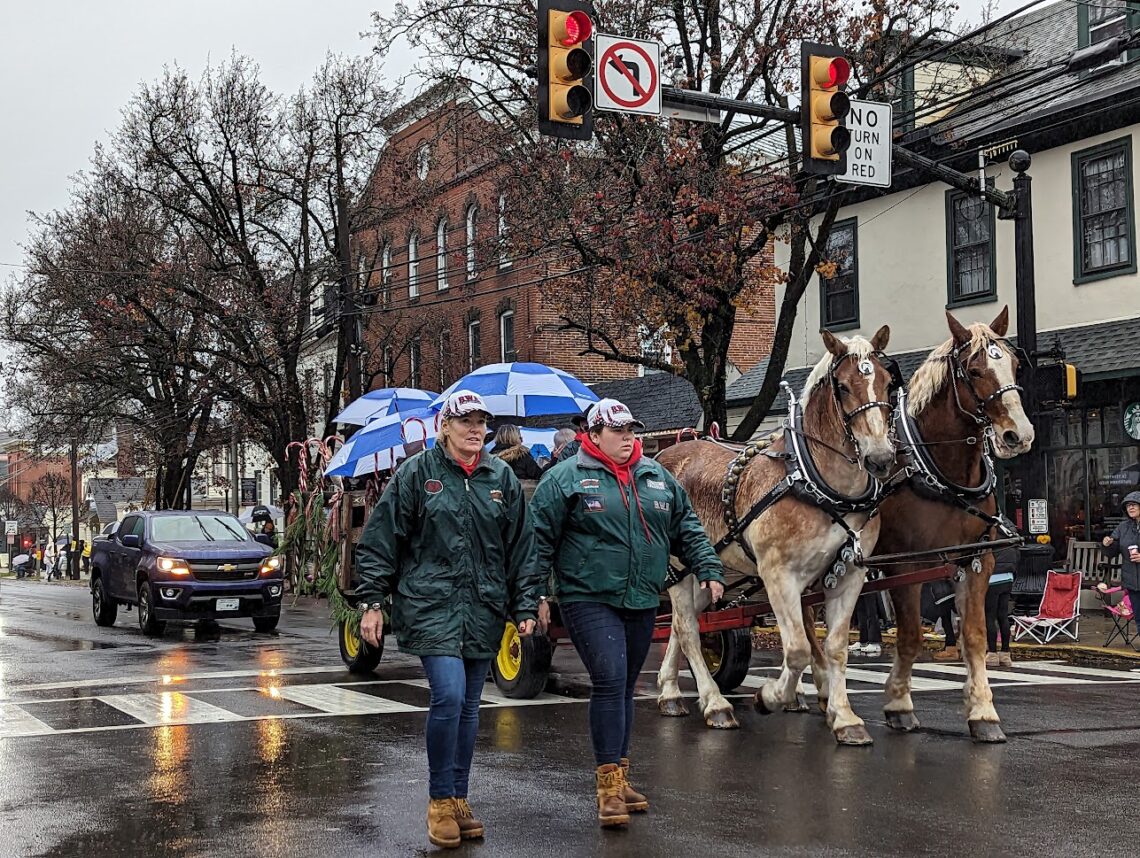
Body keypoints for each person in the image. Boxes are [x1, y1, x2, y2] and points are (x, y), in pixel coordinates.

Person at [355, 390, 542, 850]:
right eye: (466, 422)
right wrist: (372, 601)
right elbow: (382, 537)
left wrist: (526, 604)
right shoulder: (417, 474)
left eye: (481, 422)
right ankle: (439, 799)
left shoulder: (501, 478)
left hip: (483, 606)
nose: (475, 430)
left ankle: (460, 798)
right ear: (445, 427)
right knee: (450, 694)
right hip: (430, 603)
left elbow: (522, 548)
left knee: (471, 706)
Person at [531, 397, 725, 829]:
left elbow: (687, 528)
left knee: (625, 688)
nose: (628, 438)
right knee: (611, 678)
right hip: (587, 596)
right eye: (618, 431)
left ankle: (620, 774)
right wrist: (533, 596)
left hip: (640, 596)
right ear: (594, 435)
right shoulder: (565, 479)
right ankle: (607, 788)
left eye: (632, 431)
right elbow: (537, 542)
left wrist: (709, 567)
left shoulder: (656, 476)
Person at [1102, 490, 1140, 624]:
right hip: (1132, 582)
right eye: (1128, 505)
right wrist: (1107, 544)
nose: (1131, 507)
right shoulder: (1123, 527)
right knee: (1139, 619)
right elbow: (1112, 552)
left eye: (1134, 504)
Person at [985, 544, 1017, 668]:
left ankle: (992, 653)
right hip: (1008, 577)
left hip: (992, 578)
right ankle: (1005, 653)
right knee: (1003, 616)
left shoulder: (990, 533)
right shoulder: (1009, 534)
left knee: (990, 616)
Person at [849, 591, 886, 657]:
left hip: (870, 582)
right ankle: (863, 640)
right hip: (860, 583)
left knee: (871, 610)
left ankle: (875, 642)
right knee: (861, 610)